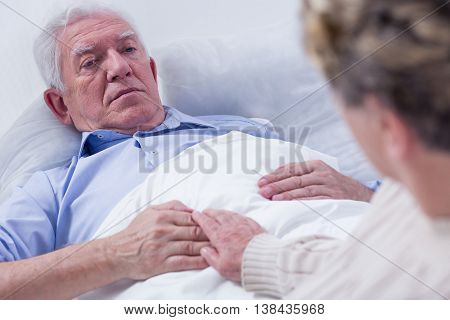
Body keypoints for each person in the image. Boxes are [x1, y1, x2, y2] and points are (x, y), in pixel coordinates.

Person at [0, 4, 372, 299]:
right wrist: (116, 253)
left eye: (128, 49)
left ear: (151, 70)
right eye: (90, 62)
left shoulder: (246, 129)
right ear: (60, 106)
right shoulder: (53, 189)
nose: (118, 68)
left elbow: (403, 205)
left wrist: (360, 192)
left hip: (343, 262)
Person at [193, 0, 450, 299]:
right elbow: (370, 265)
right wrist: (259, 256)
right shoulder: (415, 188)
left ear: (389, 128)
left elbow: (372, 281)